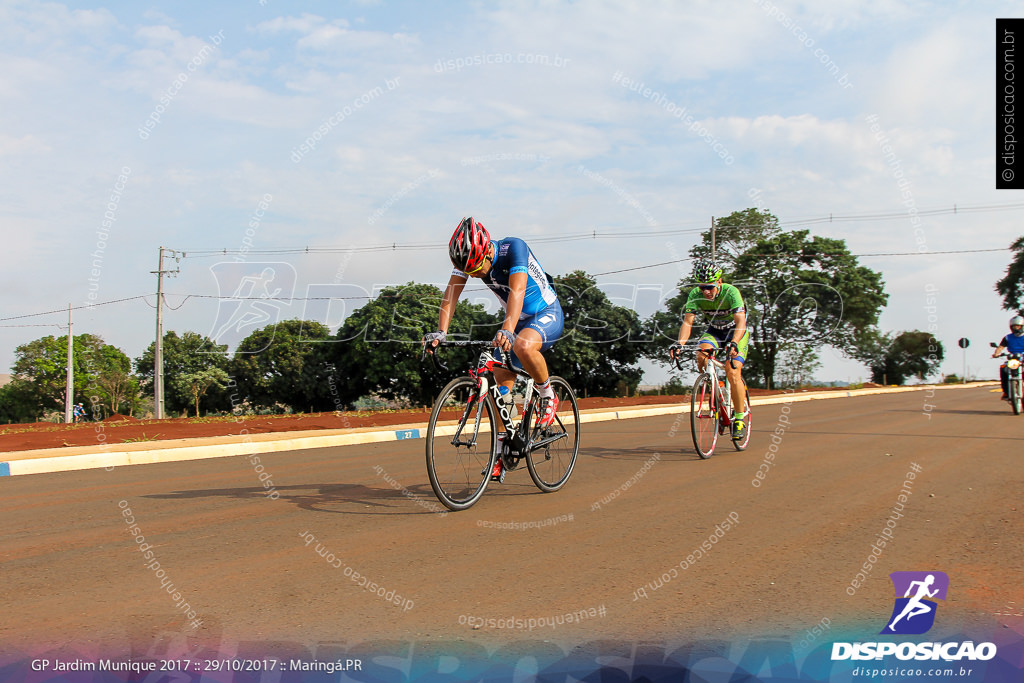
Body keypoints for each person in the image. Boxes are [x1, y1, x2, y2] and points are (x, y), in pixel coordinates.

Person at [423, 217, 565, 482]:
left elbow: (518, 290)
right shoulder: (469, 260)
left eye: (478, 269)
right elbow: (451, 293)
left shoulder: (513, 249)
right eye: (470, 271)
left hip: (546, 313)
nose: (476, 275)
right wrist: (441, 332)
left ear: (486, 250)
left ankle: (548, 394)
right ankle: (503, 449)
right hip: (517, 321)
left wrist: (508, 329)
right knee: (502, 390)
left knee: (522, 345)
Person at [668, 260, 750, 440]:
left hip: (735, 332)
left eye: (710, 287)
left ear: (719, 282)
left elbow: (741, 322)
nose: (706, 291)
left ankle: (738, 419)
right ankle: (716, 387)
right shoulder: (695, 295)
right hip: (715, 332)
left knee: (732, 369)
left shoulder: (731, 292)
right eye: (703, 287)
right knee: (701, 355)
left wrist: (734, 343)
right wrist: (680, 344)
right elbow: (688, 322)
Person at [992, 315, 1024, 400]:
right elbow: (1001, 347)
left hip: (1023, 358)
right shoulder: (1008, 337)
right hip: (1013, 359)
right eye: (1014, 326)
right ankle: (1006, 392)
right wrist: (996, 353)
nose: (1016, 328)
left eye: (1018, 326)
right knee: (1003, 369)